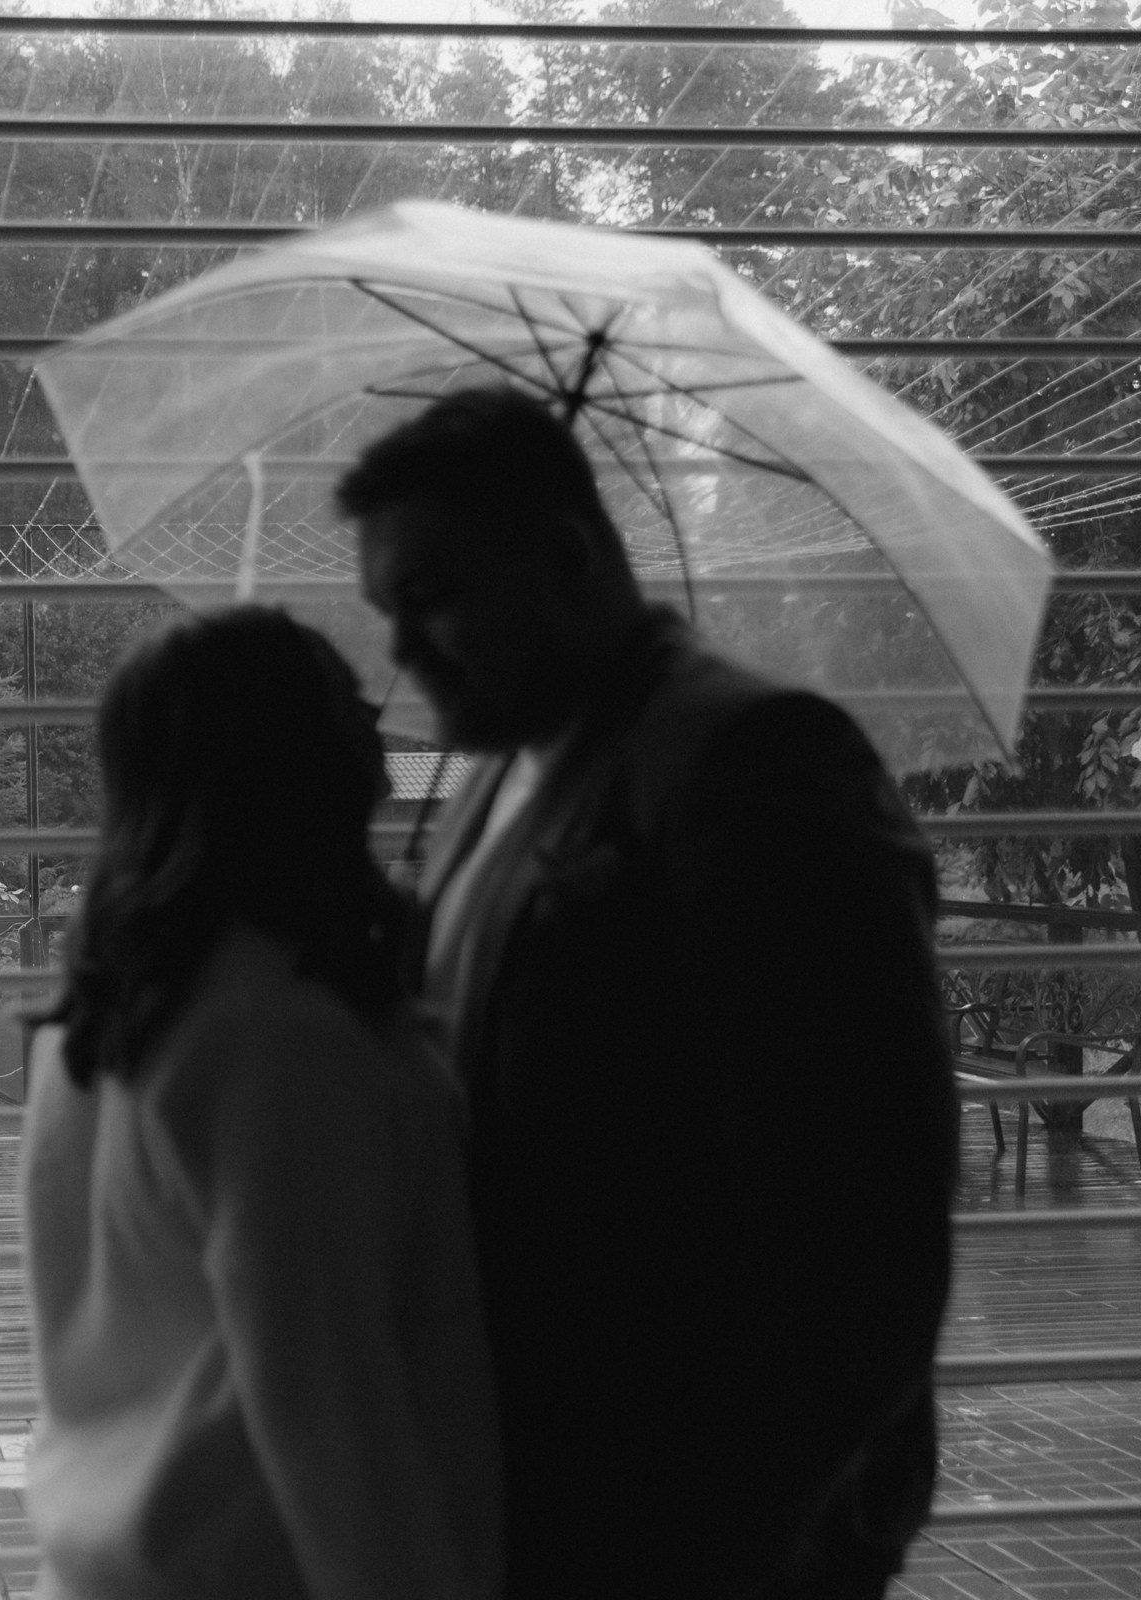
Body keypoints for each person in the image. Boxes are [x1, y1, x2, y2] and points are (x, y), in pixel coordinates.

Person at [337, 386, 959, 1600]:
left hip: (700, 1532)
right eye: (385, 612)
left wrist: (728, 1542)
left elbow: (858, 1230)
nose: (402, 651)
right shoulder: (501, 773)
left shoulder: (757, 767)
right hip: (556, 1501)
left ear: (565, 557)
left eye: (431, 598)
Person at [20, 606, 502, 1600]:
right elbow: (335, 1425)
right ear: (309, 762)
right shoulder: (279, 1047)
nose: (380, 729)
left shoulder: (103, 1025)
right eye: (354, 707)